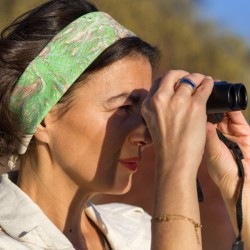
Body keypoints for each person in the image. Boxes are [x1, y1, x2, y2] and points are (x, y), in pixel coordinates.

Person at [0, 0, 249, 249]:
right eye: (123, 108)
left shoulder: (138, 233)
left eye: (146, 111)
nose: (146, 135)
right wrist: (177, 164)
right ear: (43, 116)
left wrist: (240, 190)